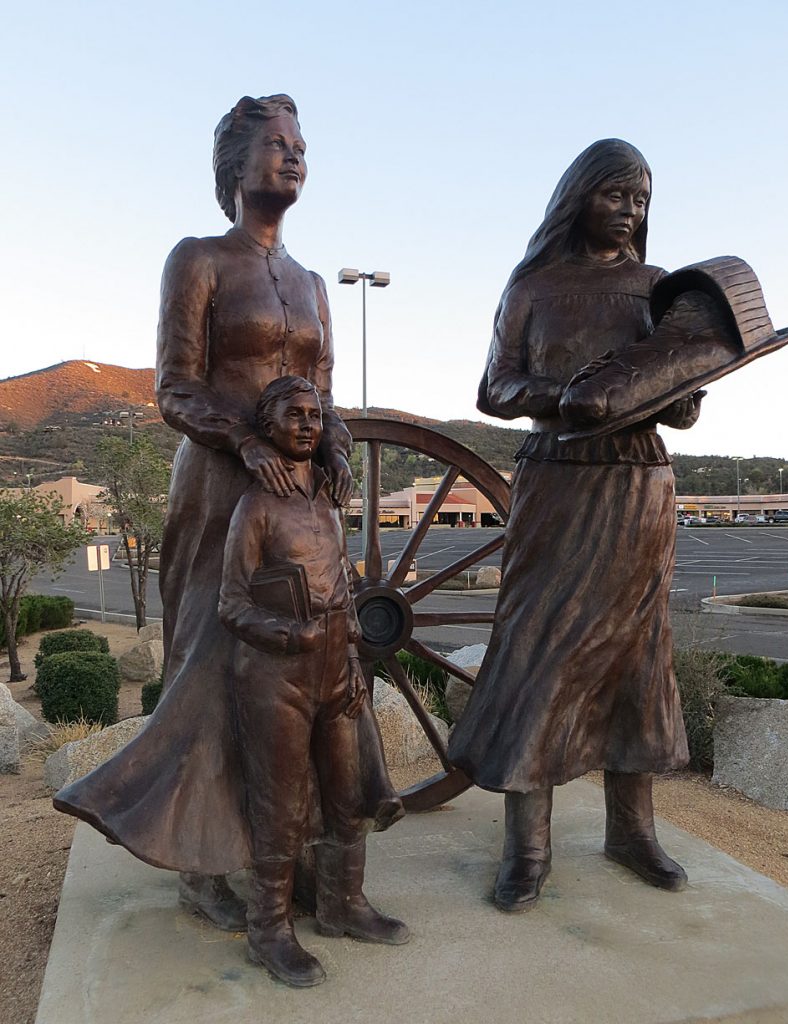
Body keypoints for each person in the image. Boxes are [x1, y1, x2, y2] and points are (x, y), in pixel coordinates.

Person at [54, 95, 398, 935]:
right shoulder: (198, 259)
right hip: (218, 490)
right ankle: (203, 857)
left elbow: (323, 397)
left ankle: (317, 868)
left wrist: (338, 445)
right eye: (276, 146)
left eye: (301, 145)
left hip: (299, 500)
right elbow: (173, 386)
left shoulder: (315, 284)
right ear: (234, 167)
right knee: (210, 667)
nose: (294, 156)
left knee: (315, 666)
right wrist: (245, 441)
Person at [448, 139, 702, 912]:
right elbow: (495, 388)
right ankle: (527, 848)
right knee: (538, 649)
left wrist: (671, 385)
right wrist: (569, 396)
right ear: (579, 198)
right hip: (558, 482)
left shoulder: (659, 289)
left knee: (639, 655)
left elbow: (685, 403)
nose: (629, 212)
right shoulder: (535, 285)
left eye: (641, 200)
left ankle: (632, 829)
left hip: (638, 486)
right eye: (616, 196)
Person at [218, 375, 408, 987]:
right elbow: (231, 604)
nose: (306, 424)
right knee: (280, 806)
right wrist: (284, 634)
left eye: (314, 414)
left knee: (345, 793)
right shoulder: (256, 507)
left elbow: (344, 587)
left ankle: (342, 903)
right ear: (267, 426)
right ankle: (269, 929)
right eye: (293, 415)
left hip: (334, 668)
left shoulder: (326, 502)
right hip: (276, 676)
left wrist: (351, 653)